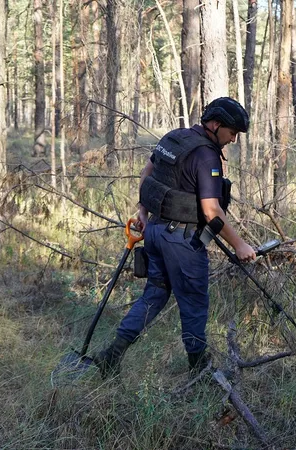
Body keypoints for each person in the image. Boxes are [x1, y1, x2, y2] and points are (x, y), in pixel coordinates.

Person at [93, 97, 256, 378]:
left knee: (153, 296)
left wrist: (143, 213)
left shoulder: (174, 138)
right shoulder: (206, 155)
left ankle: (111, 355)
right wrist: (240, 244)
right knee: (193, 302)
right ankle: (199, 372)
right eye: (232, 133)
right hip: (181, 242)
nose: (233, 139)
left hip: (155, 233)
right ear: (215, 125)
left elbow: (148, 174)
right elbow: (210, 209)